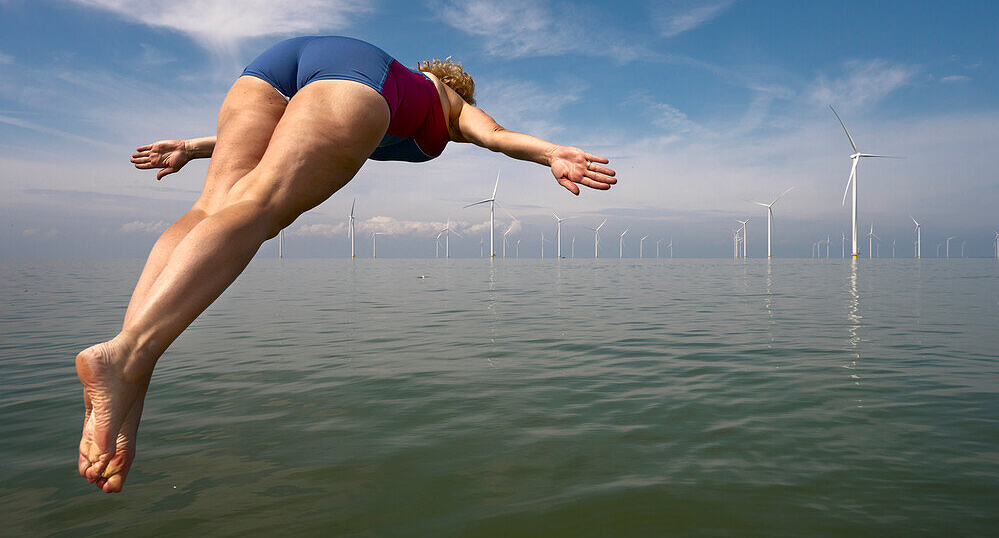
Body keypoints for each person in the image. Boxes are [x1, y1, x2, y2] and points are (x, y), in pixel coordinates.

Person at [77, 36, 616, 493]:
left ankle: (128, 386)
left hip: (283, 64)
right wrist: (550, 151)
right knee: (257, 208)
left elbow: (291, 125)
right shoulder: (451, 103)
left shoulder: (404, 77)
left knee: (209, 208)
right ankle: (124, 357)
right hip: (361, 83)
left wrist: (194, 148)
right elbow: (496, 137)